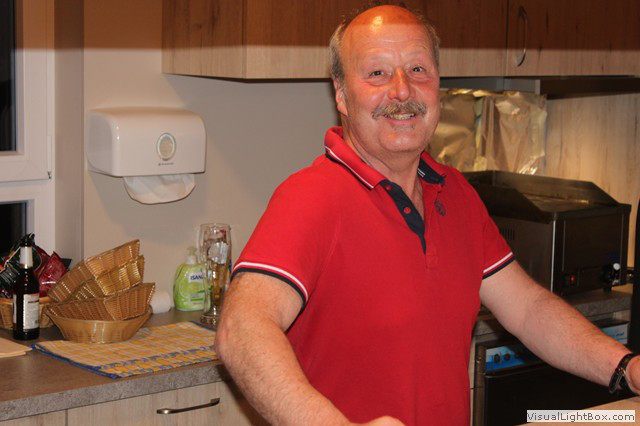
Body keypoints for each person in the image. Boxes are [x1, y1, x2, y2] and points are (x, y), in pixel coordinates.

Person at [215, 4, 640, 425]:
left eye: (417, 70)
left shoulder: (455, 192)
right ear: (341, 94)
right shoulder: (311, 197)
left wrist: (625, 367)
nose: (402, 91)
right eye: (377, 73)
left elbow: (528, 310)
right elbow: (242, 328)